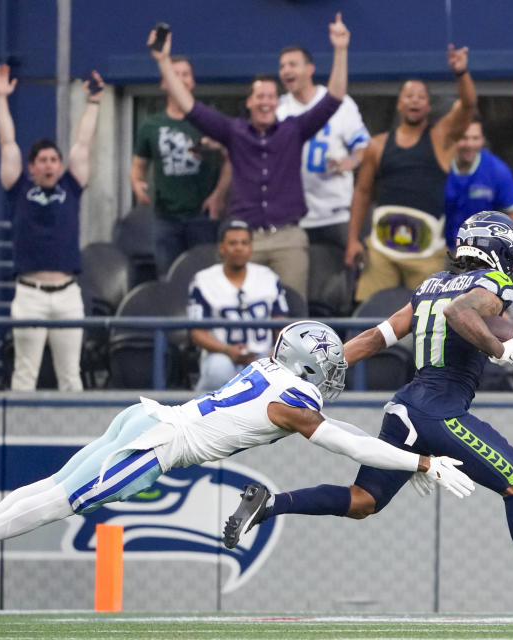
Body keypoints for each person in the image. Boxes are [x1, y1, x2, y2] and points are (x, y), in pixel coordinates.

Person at [0, 320, 475, 608]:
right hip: (156, 449)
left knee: (54, 485)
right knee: (62, 501)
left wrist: (404, 458)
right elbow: (350, 445)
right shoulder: (292, 404)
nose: (335, 374)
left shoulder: (270, 371)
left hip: (146, 420)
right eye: (327, 365)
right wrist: (422, 462)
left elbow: (342, 410)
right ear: (310, 365)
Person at [224, 212, 513, 621]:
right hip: (439, 412)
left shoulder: (430, 285)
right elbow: (460, 314)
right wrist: (495, 346)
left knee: (363, 500)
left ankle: (270, 504)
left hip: (405, 409)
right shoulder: (491, 282)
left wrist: (311, 372)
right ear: (498, 249)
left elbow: (374, 338)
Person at [148, 13, 351, 301]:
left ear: (276, 102)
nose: (265, 101)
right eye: (259, 96)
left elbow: (334, 99)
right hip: (246, 241)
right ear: (249, 101)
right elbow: (190, 107)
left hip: (288, 240)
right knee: (244, 317)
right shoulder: (233, 131)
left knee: (292, 318)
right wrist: (162, 61)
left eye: (271, 96)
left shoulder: (293, 130)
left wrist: (341, 49)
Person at [0, 64, 103, 391]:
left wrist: (94, 103)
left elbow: (83, 144)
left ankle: (80, 440)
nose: (49, 164)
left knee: (71, 375)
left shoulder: (71, 185)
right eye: (42, 160)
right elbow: (7, 142)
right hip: (29, 294)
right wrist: (0, 97)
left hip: (68, 294)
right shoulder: (18, 187)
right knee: (24, 374)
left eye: (54, 159)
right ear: (31, 166)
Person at [345, 46, 476, 302]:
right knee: (370, 315)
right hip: (382, 252)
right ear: (399, 104)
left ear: (428, 105)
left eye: (420, 97)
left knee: (431, 317)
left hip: (427, 254)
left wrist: (461, 72)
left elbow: (469, 105)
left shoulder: (441, 139)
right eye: (408, 95)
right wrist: (352, 239)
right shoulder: (378, 145)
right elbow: (361, 192)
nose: (414, 100)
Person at [130, 54, 232, 276]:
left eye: (186, 74)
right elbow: (138, 165)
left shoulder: (208, 120)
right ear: (164, 83)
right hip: (165, 218)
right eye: (175, 75)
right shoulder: (151, 125)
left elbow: (231, 159)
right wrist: (137, 183)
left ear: (193, 82)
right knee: (168, 279)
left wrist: (219, 195)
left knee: (207, 279)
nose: (181, 79)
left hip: (203, 216)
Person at [276, 45, 370, 251]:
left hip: (337, 212)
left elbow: (364, 147)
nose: (286, 71)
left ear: (310, 69)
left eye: (292, 64)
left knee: (350, 273)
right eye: (282, 66)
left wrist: (352, 161)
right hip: (295, 217)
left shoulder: (341, 104)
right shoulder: (278, 110)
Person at [189, 219, 288, 391]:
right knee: (219, 371)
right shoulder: (203, 280)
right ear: (221, 248)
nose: (239, 247)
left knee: (276, 375)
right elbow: (197, 333)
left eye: (244, 243)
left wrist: (277, 350)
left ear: (251, 247)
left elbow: (281, 323)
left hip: (262, 353)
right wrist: (227, 349)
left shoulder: (268, 277)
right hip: (220, 353)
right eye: (233, 243)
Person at [444, 118, 513, 249]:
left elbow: (512, 214)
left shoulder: (497, 170)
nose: (470, 144)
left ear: (483, 140)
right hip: (441, 249)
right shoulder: (440, 166)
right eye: (464, 138)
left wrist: (494, 246)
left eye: (475, 138)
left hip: (480, 250)